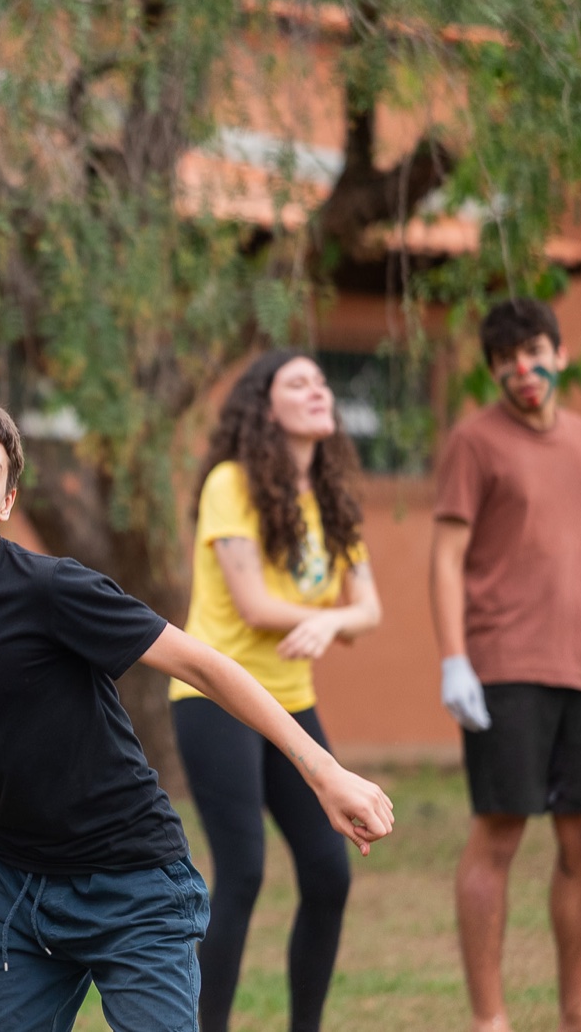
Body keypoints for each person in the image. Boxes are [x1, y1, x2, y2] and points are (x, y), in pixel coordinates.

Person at [0, 395, 396, 1032]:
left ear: (8, 501)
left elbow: (205, 667)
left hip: (135, 884)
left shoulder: (54, 590)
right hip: (20, 893)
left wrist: (324, 772)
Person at [168, 349, 383, 1032]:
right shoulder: (231, 483)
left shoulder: (331, 496)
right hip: (215, 697)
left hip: (291, 697)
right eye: (299, 383)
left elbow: (370, 609)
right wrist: (329, 620)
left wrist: (335, 622)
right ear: (265, 407)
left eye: (323, 381)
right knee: (244, 871)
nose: (319, 390)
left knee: (329, 873)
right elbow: (254, 604)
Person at [429, 298, 581, 1032]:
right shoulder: (474, 442)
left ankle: (576, 1008)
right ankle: (491, 1018)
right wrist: (454, 661)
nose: (520, 370)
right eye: (503, 360)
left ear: (560, 355)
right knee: (501, 831)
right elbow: (445, 556)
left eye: (532, 351)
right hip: (502, 664)